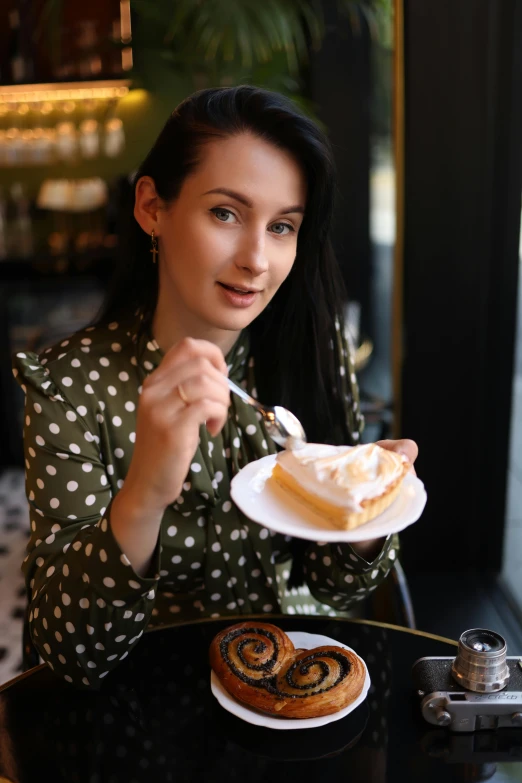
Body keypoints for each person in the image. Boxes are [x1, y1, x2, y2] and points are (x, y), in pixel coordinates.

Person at [13, 86, 418, 688]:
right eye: (225, 213)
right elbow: (69, 653)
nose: (257, 258)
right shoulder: (71, 386)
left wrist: (367, 508)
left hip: (299, 681)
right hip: (146, 701)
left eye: (282, 226)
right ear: (152, 207)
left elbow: (336, 582)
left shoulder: (311, 348)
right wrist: (145, 494)